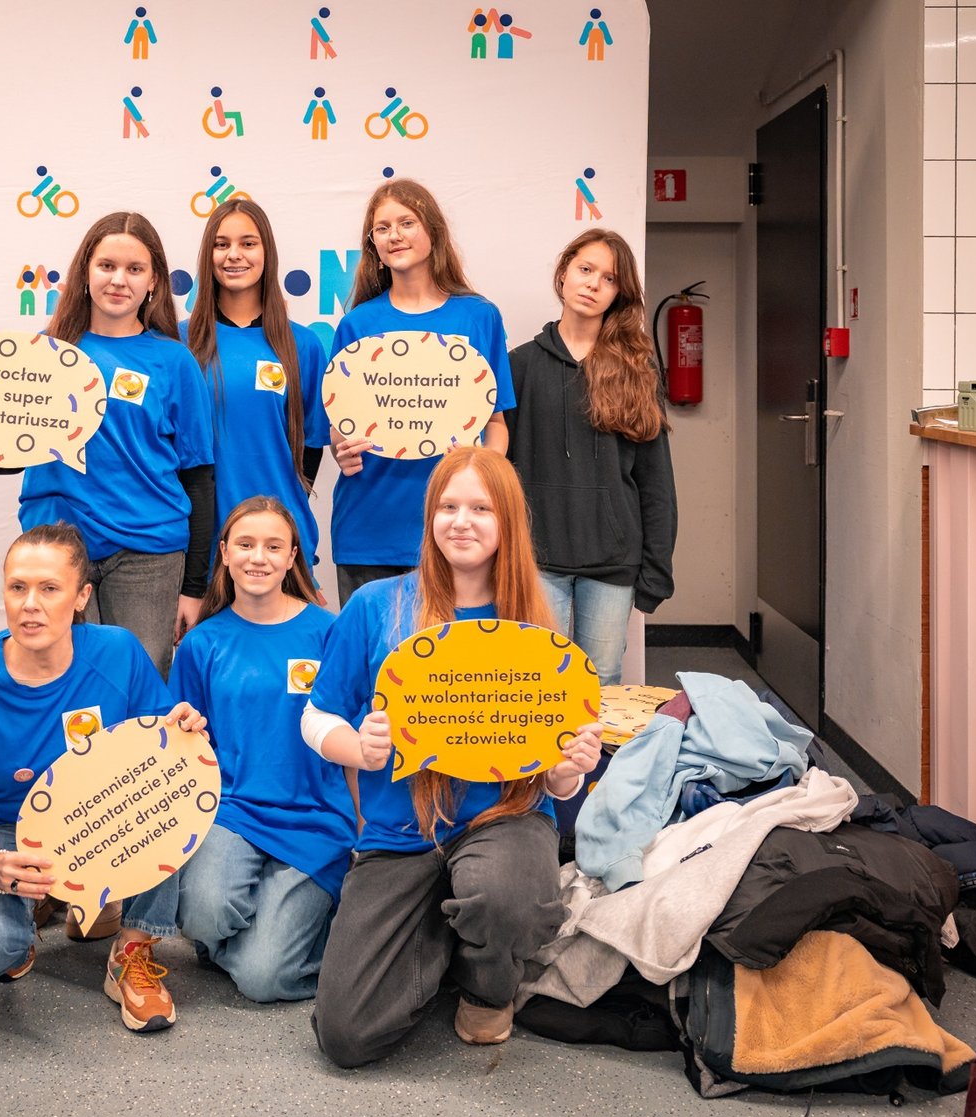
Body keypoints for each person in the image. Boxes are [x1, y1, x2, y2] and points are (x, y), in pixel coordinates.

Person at [300, 447, 605, 1067]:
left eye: (481, 509)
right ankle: (445, 931)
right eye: (447, 507)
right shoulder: (377, 605)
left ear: (508, 520)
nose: (461, 522)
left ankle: (486, 984)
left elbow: (554, 773)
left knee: (505, 897)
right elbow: (315, 717)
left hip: (504, 818)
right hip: (400, 831)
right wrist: (357, 747)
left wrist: (568, 770)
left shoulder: (536, 621)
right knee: (346, 1036)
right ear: (429, 517)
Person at [0, 522, 207, 1033]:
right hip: (2, 833)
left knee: (168, 798)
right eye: (17, 587)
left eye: (49, 588)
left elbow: (159, 761)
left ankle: (132, 950)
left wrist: (182, 732)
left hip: (98, 821)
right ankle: (30, 918)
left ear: (81, 597)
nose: (30, 605)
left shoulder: (118, 652)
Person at [0, 212, 213, 675]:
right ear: (85, 272)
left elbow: (199, 478)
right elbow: (10, 451)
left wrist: (195, 586)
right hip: (57, 547)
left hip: (148, 554)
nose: (119, 280)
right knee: (65, 686)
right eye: (106, 266)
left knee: (137, 687)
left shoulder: (174, 360)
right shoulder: (44, 353)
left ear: (154, 282)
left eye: (134, 269)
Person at [165, 497, 353, 1001]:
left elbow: (354, 736)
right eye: (245, 545)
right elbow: (181, 748)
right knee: (202, 915)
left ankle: (289, 939)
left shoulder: (328, 632)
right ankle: (264, 926)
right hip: (232, 812)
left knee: (263, 979)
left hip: (316, 818)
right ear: (225, 552)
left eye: (273, 547)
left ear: (292, 557)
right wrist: (183, 727)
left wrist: (364, 829)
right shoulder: (202, 643)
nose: (258, 557)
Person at [328, 179, 516, 604]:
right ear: (373, 245)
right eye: (382, 228)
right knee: (372, 649)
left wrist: (479, 471)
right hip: (369, 528)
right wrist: (343, 450)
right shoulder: (357, 324)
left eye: (406, 222)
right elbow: (341, 430)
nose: (394, 235)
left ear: (433, 230)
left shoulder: (479, 317)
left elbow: (497, 425)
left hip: (456, 533)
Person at [505, 228, 676, 686]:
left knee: (601, 685)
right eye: (585, 269)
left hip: (613, 564)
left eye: (609, 278)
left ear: (619, 293)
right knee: (540, 684)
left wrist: (656, 573)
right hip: (536, 560)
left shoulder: (636, 372)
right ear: (564, 273)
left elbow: (657, 482)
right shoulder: (519, 366)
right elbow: (498, 471)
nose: (593, 283)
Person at [184, 199, 330, 569]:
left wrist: (278, 516)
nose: (234, 255)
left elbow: (311, 447)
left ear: (267, 252)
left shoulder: (303, 345)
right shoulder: (178, 342)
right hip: (198, 545)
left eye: (248, 243)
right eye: (222, 244)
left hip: (278, 543)